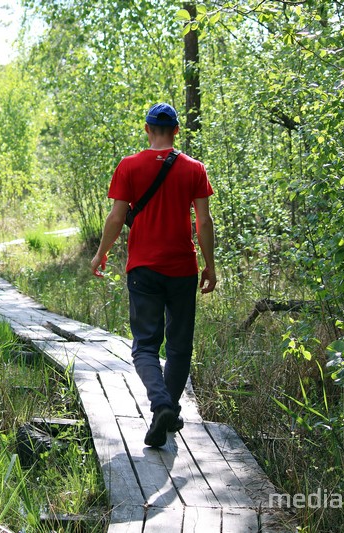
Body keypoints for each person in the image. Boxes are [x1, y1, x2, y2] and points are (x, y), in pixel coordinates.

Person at [90, 102, 216, 448]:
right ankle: (168, 409)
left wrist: (101, 253)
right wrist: (211, 265)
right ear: (176, 131)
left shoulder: (129, 166)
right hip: (182, 270)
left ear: (147, 129)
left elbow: (116, 217)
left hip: (143, 268)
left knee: (145, 345)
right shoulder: (194, 168)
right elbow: (203, 221)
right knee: (178, 347)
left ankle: (162, 407)